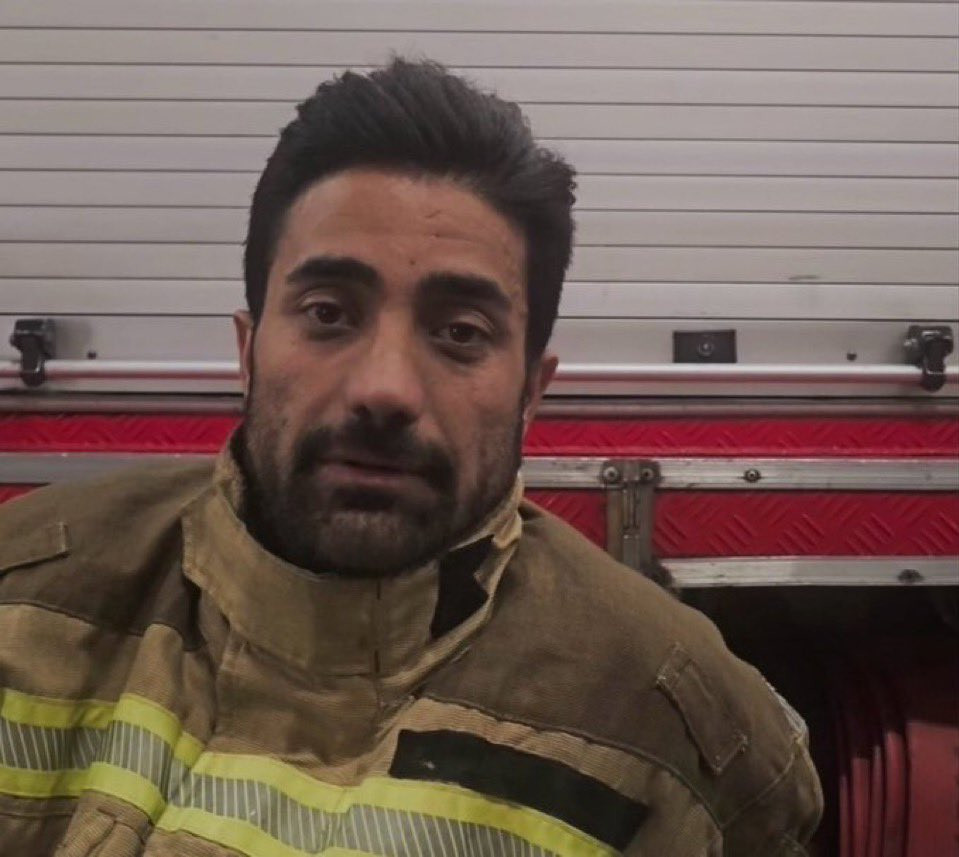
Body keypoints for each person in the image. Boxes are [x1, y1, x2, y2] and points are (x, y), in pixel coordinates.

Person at [0, 59, 821, 856]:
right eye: (328, 312)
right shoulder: (21, 592)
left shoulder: (678, 732)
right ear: (248, 351)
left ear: (532, 390)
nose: (384, 388)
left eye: (460, 331)